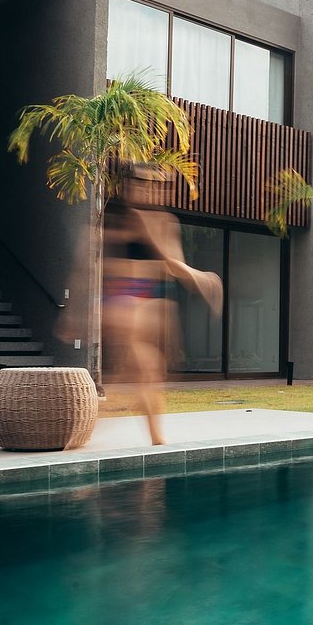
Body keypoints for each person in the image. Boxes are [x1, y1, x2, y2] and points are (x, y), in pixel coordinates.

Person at [100, 164, 222, 444]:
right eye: (141, 183)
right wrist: (203, 279)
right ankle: (152, 438)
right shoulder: (122, 220)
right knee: (143, 371)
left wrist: (197, 280)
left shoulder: (166, 222)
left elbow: (172, 264)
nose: (147, 190)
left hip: (150, 300)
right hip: (126, 300)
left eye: (154, 185)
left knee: (148, 374)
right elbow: (108, 264)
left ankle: (151, 438)